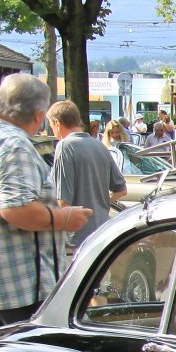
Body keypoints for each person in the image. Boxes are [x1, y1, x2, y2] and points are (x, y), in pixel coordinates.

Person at [0, 73, 93, 337]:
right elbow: (16, 209)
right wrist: (64, 218)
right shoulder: (14, 145)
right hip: (17, 285)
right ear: (38, 115)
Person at [47, 99, 126, 257]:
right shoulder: (100, 146)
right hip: (101, 232)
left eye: (51, 125)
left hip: (75, 239)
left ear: (57, 123)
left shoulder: (65, 146)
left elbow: (62, 201)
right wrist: (100, 203)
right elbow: (122, 190)